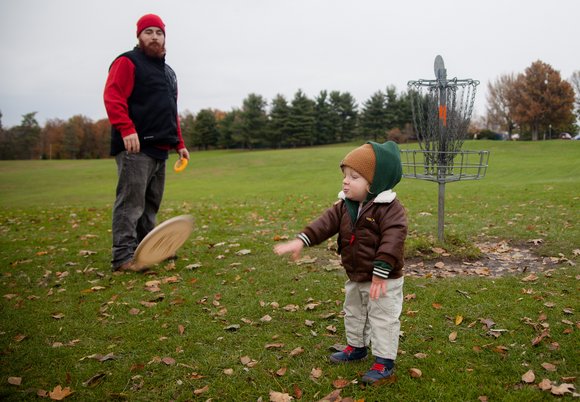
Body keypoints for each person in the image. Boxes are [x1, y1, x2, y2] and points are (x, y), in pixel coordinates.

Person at [274, 141, 407, 384]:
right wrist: (301, 241)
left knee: (382, 316)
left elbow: (393, 239)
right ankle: (356, 347)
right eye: (345, 175)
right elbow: (323, 224)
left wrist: (382, 269)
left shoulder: (389, 209)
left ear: (374, 183)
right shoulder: (345, 206)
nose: (346, 181)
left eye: (354, 176)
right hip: (356, 274)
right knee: (354, 311)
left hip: (383, 279)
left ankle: (384, 361)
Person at [104, 14, 189, 272]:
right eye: (148, 32)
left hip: (161, 147)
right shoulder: (127, 62)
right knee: (131, 204)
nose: (154, 36)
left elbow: (170, 110)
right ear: (139, 36)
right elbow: (113, 96)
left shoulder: (168, 72)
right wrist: (126, 129)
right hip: (135, 147)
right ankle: (122, 258)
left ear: (164, 37)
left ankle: (147, 249)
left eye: (159, 32)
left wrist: (179, 143)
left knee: (150, 205)